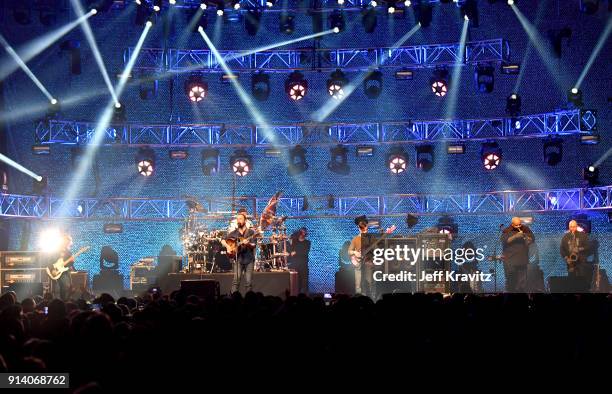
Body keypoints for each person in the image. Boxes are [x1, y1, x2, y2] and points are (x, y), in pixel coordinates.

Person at [225, 212, 257, 294]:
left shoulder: (251, 233)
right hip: (238, 259)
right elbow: (224, 240)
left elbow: (253, 245)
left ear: (245, 221)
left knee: (248, 283)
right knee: (236, 281)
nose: (238, 221)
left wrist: (248, 244)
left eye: (240, 219)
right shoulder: (234, 233)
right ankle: (233, 299)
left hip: (249, 260)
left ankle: (249, 301)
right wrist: (228, 247)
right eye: (237, 219)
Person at [501, 217, 535, 293]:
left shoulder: (525, 229)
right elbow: (505, 241)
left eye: (520, 224)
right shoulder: (507, 230)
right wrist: (516, 236)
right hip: (510, 261)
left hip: (522, 259)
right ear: (512, 224)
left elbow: (532, 239)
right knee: (511, 282)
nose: (519, 227)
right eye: (517, 225)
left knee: (522, 283)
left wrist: (528, 239)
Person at [560, 220, 591, 291]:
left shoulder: (583, 235)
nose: (572, 229)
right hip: (571, 262)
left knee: (582, 279)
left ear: (576, 226)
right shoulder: (565, 237)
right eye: (571, 227)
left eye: (574, 227)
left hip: (581, 262)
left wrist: (579, 248)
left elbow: (588, 246)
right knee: (571, 279)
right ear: (569, 227)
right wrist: (566, 258)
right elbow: (562, 249)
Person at [348, 215, 375, 298]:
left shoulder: (371, 238)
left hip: (368, 263)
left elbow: (377, 250)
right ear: (359, 228)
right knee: (358, 285)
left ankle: (370, 299)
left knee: (369, 282)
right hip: (358, 264)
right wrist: (355, 253)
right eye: (363, 228)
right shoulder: (355, 239)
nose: (365, 230)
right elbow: (349, 251)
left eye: (366, 228)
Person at [51, 233, 74, 301]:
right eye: (68, 241)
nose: (69, 242)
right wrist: (54, 268)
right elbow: (52, 260)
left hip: (65, 271)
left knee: (68, 287)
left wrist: (72, 262)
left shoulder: (68, 251)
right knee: (64, 287)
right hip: (59, 272)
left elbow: (69, 264)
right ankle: (63, 301)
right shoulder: (57, 250)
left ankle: (65, 301)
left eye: (69, 241)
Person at [289, 227, 311, 294]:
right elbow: (291, 251)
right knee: (295, 281)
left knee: (304, 281)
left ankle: (305, 295)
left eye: (304, 232)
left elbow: (305, 252)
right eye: (301, 232)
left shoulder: (307, 242)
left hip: (303, 265)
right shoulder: (294, 242)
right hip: (295, 264)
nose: (302, 234)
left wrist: (296, 253)